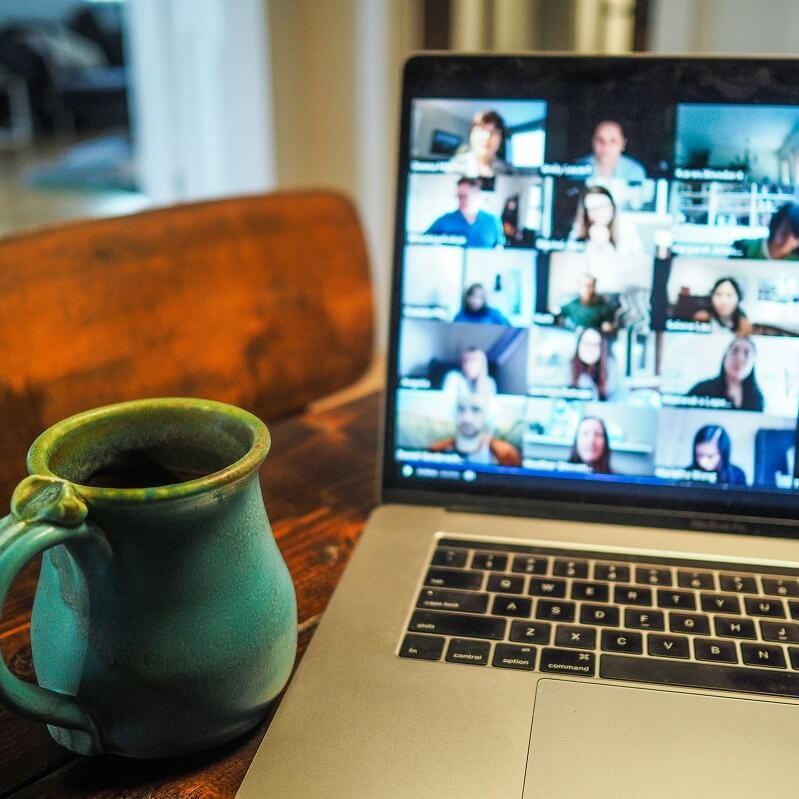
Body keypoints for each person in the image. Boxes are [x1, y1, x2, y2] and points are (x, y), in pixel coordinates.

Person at [428, 391, 521, 466]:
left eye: (475, 409)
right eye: (461, 409)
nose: (467, 418)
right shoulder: (437, 450)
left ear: (488, 415)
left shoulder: (507, 455)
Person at [688, 336, 764, 411]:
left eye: (746, 353)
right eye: (735, 351)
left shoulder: (757, 398)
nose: (739, 358)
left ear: (753, 363)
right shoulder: (701, 390)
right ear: (725, 357)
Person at [425, 177, 505, 248]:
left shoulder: (492, 221)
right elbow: (423, 242)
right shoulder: (444, 221)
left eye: (464, 196)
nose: (460, 200)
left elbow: (499, 248)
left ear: (476, 195)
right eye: (459, 196)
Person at [568, 185, 643, 256]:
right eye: (592, 209)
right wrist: (593, 245)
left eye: (602, 206)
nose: (599, 213)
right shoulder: (578, 230)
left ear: (612, 206)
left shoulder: (626, 227)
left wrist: (605, 246)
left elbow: (640, 261)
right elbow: (569, 260)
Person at [445, 110, 511, 178]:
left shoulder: (508, 171)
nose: (487, 137)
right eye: (482, 130)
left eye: (493, 132)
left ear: (501, 138)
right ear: (471, 135)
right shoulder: (453, 167)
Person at [575, 120, 647, 181]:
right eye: (600, 140)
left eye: (613, 141)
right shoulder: (576, 168)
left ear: (623, 144)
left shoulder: (634, 171)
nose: (605, 146)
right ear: (593, 142)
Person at [735, 202, 799, 260]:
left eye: (796, 235)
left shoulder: (795, 263)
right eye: (785, 231)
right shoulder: (744, 249)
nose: (788, 239)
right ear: (776, 225)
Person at [569, 327, 620, 401]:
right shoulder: (569, 367)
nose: (590, 349)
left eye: (595, 344)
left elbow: (617, 399)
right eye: (587, 343)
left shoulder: (610, 367)